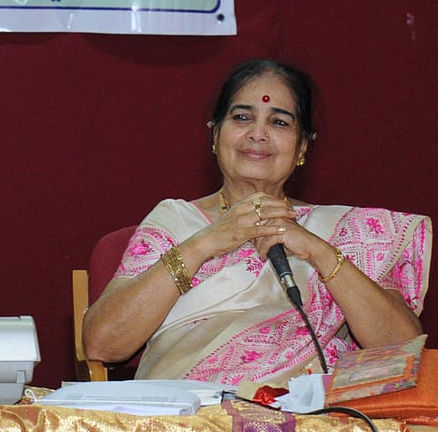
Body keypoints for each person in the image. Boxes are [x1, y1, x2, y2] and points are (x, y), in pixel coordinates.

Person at [82, 59, 431, 386]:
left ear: (302, 148)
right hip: (191, 415)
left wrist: (319, 253)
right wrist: (206, 242)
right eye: (242, 118)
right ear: (215, 136)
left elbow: (402, 351)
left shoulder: (345, 233)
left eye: (279, 122)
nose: (258, 134)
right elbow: (103, 343)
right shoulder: (176, 222)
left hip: (308, 416)